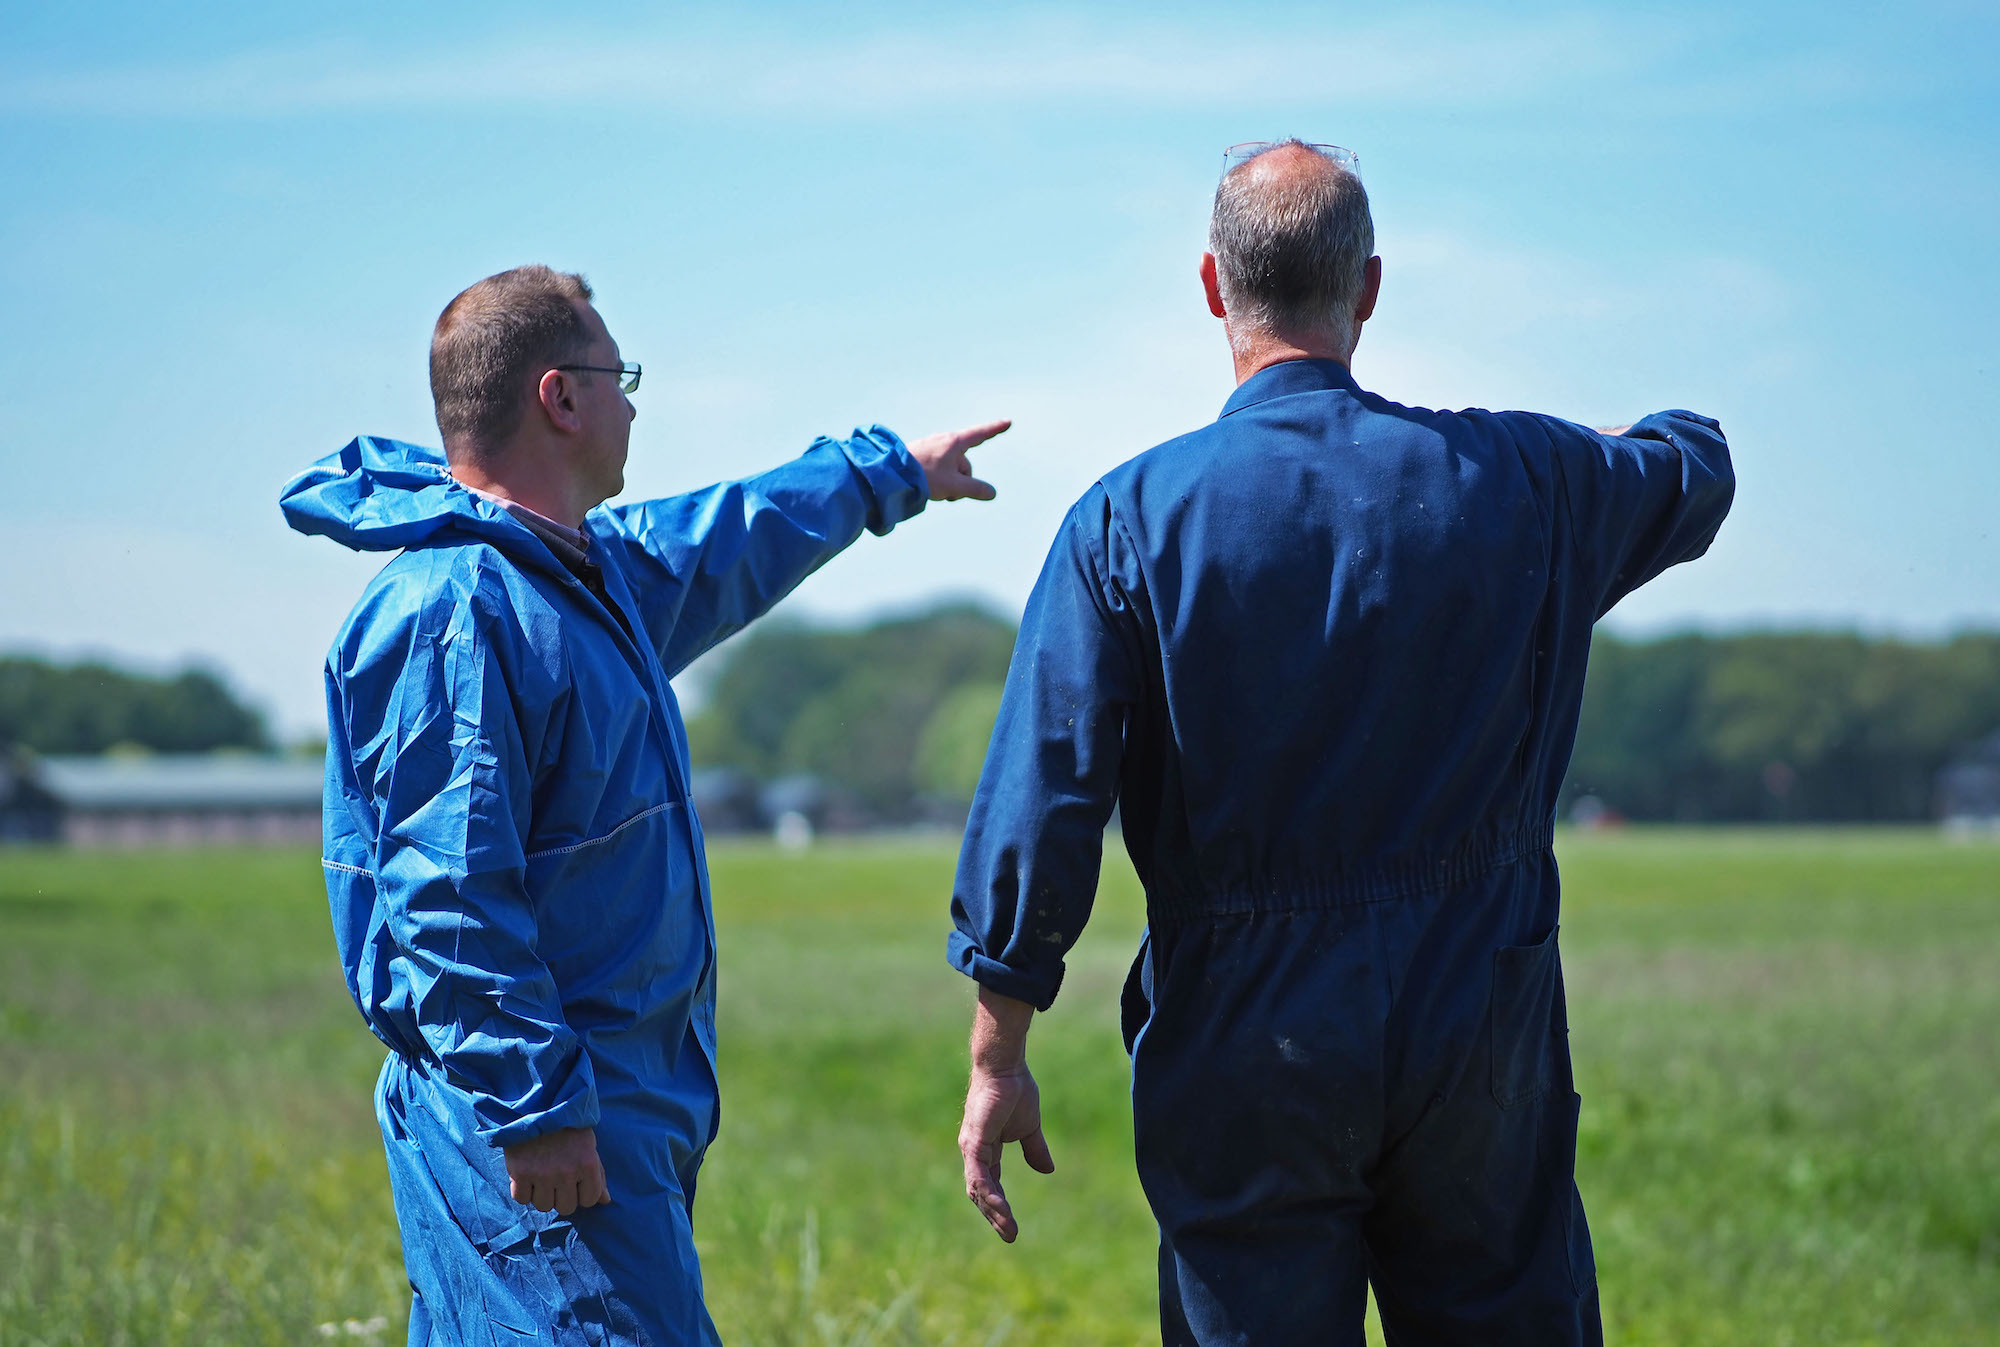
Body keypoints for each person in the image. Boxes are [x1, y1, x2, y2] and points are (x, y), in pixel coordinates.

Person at [948, 141, 1734, 1345]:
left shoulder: (1125, 520)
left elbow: (1042, 796)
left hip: (1242, 1022)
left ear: (1214, 285)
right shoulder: (1526, 476)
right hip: (1481, 997)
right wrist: (1598, 439)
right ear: (1366, 287)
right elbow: (1694, 463)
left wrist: (998, 1048)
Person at [281, 264, 1007, 1346]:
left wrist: (886, 474)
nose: (631, 401)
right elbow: (447, 896)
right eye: (616, 375)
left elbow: (727, 538)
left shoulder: (584, 580)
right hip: (536, 1132)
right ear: (558, 399)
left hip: (603, 1117)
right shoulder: (460, 612)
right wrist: (534, 1110)